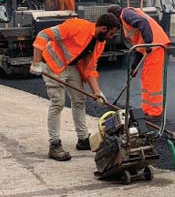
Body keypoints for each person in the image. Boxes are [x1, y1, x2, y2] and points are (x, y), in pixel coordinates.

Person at [29, 14, 121, 161]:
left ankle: (83, 139)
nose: (111, 37)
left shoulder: (100, 42)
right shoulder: (76, 26)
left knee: (79, 100)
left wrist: (97, 92)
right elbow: (43, 34)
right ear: (103, 28)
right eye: (111, 33)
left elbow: (90, 68)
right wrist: (36, 62)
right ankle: (54, 144)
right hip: (52, 64)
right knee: (58, 103)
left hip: (71, 67)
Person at [108, 5, 170, 118]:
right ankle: (147, 109)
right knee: (146, 77)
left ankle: (155, 111)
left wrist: (148, 42)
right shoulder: (126, 20)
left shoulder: (126, 14)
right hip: (150, 46)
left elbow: (143, 22)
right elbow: (138, 47)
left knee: (152, 80)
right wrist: (133, 68)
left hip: (155, 45)